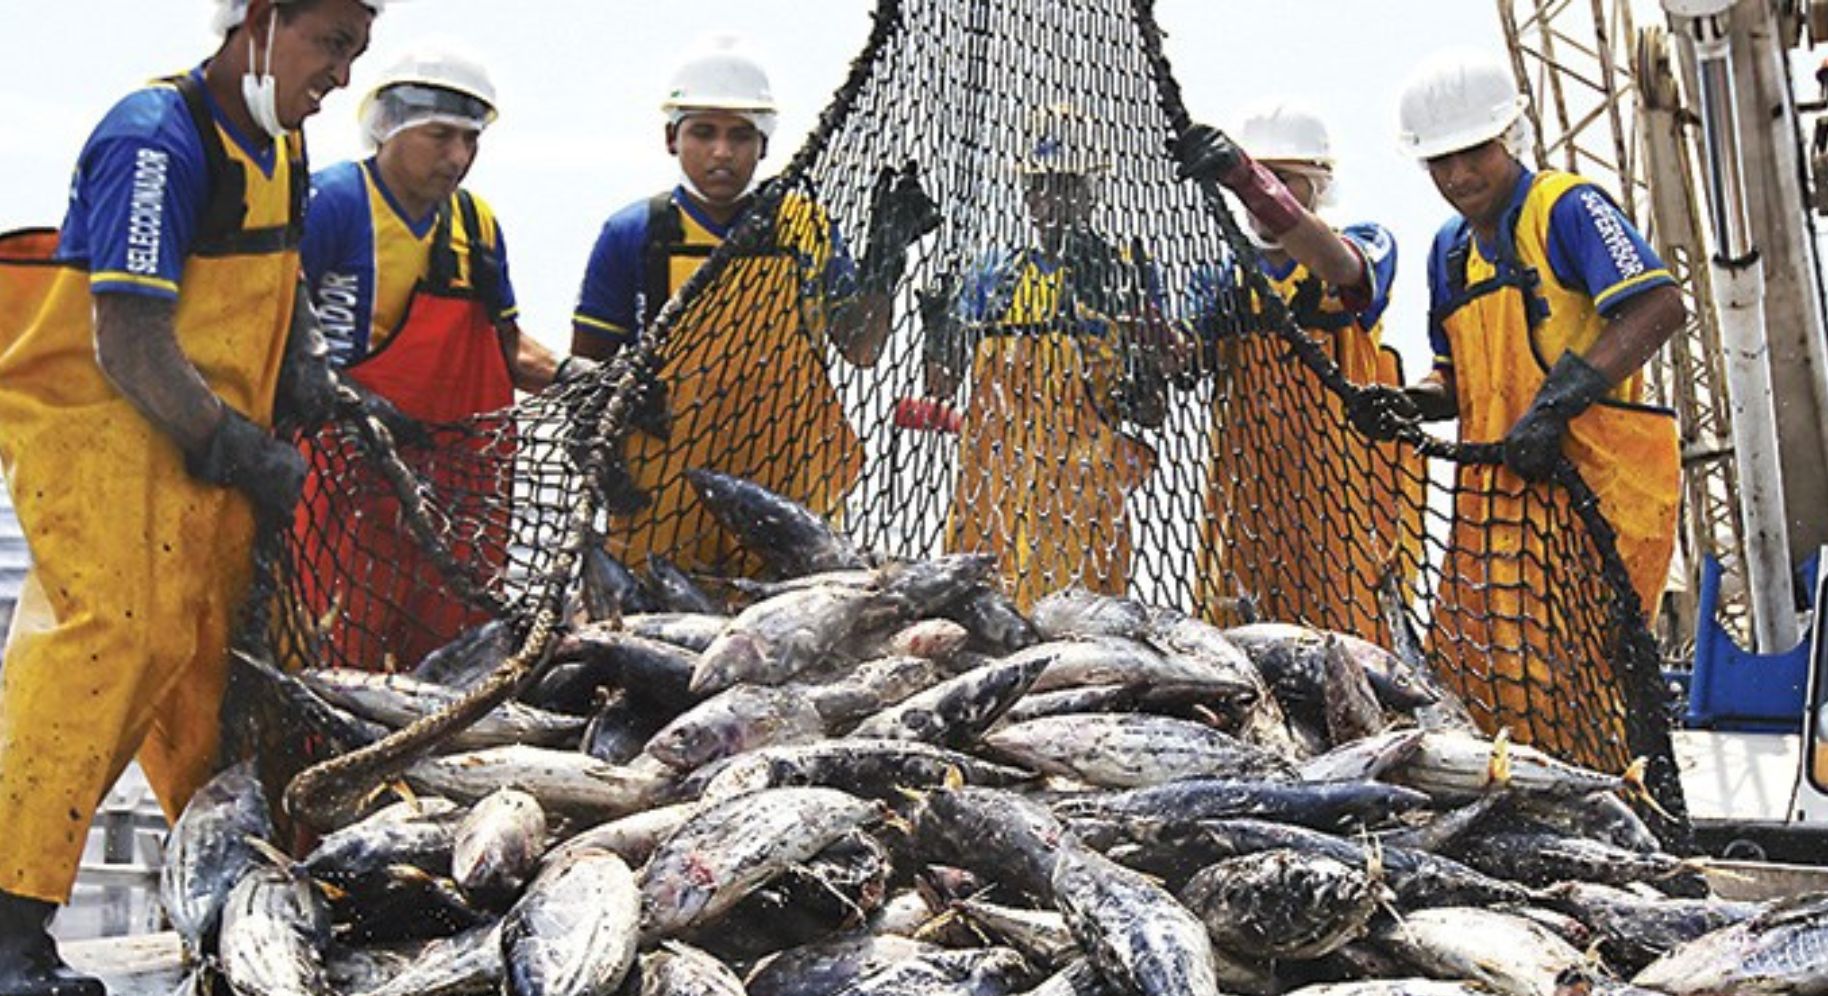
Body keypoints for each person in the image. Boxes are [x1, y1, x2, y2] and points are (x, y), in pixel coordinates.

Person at [0, 0, 385, 996]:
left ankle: (220, 903)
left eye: (357, 50)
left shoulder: (283, 140)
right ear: (259, 21)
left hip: (203, 456)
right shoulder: (155, 135)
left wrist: (306, 378)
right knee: (109, 647)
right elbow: (127, 337)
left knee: (207, 675)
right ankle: (5, 924)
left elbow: (283, 281)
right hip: (107, 437)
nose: (342, 74)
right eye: (330, 43)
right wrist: (236, 447)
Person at [1355, 49, 1686, 752]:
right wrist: (1409, 404)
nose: (1459, 176)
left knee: (1577, 682)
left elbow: (1658, 304)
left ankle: (1607, 832)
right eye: (1439, 162)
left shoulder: (1567, 207)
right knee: (1475, 679)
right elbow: (1456, 377)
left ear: (1511, 137)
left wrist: (1559, 402)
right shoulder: (1449, 250)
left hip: (1591, 499)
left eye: (1473, 152)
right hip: (1495, 504)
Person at [572, 39, 937, 575]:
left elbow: (861, 349)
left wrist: (884, 258)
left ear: (763, 146)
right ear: (672, 138)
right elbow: (585, 367)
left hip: (786, 484)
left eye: (741, 135)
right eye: (704, 132)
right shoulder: (635, 233)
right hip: (665, 489)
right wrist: (599, 466)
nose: (722, 152)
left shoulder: (803, 225)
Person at [296, 47, 555, 669]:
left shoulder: (477, 224)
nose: (458, 158)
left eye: (471, 140)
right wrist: (351, 401)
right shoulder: (334, 202)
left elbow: (505, 345)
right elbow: (274, 331)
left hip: (456, 502)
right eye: (441, 137)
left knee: (449, 663)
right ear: (389, 126)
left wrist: (580, 378)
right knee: (334, 651)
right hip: (345, 485)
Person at [1175, 100, 1423, 637]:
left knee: (1352, 640)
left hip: (1347, 501)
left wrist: (1248, 181)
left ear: (1318, 183)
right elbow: (1177, 361)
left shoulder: (1365, 242)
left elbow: (1341, 267)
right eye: (1262, 179)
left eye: (1281, 179)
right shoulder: (1224, 276)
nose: (1259, 198)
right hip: (1248, 504)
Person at [923, 103, 1181, 609]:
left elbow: (1152, 412)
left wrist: (1143, 361)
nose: (1049, 201)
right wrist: (937, 329)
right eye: (1038, 186)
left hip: (1082, 504)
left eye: (1064, 186)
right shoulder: (992, 275)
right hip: (992, 492)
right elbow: (942, 386)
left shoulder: (1121, 274)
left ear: (1089, 192)